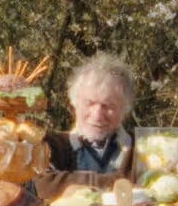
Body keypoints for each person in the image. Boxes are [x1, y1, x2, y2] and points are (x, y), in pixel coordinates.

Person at [39, 53, 138, 195]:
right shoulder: (51, 146)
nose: (97, 116)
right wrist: (119, 181)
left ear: (125, 109)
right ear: (73, 103)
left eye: (108, 106)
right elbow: (44, 186)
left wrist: (70, 182)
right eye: (89, 103)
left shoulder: (142, 149)